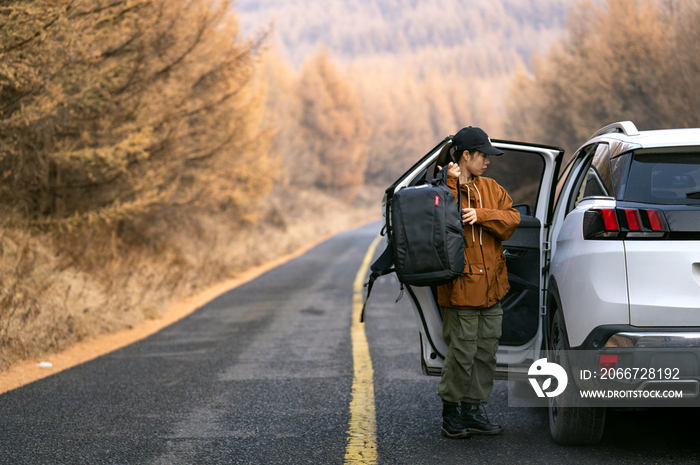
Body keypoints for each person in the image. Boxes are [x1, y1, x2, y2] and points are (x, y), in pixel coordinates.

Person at [435, 126, 520, 439]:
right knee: (462, 352)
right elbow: (436, 223)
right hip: (460, 291)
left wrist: (481, 215)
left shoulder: (492, 188)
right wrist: (451, 183)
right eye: (482, 155)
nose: (487, 161)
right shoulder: (443, 188)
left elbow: (511, 221)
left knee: (486, 352)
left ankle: (473, 410)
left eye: (488, 155)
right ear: (465, 155)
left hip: (492, 290)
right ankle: (450, 413)